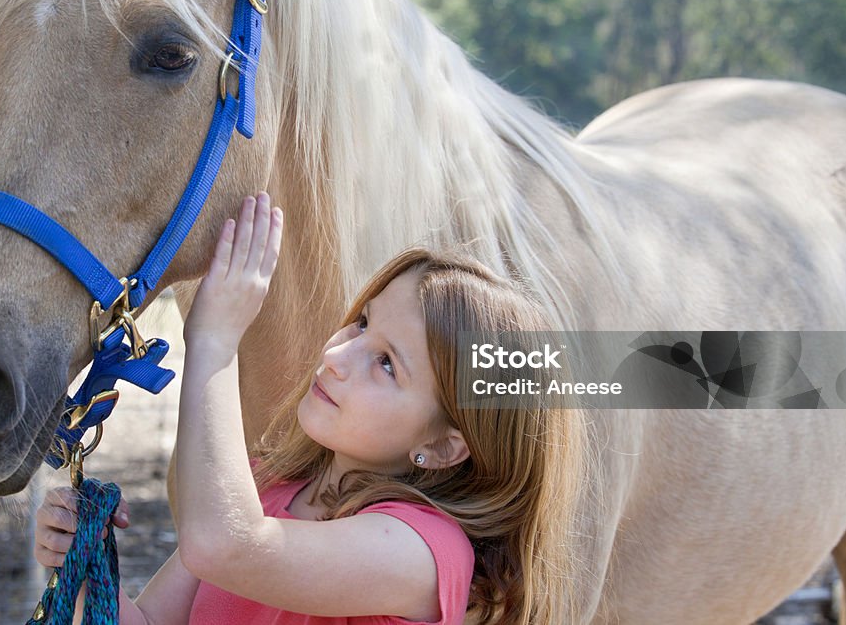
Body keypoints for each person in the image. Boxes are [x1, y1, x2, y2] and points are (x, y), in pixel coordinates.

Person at [35, 193, 584, 625]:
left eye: (387, 364)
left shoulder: (421, 552)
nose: (340, 353)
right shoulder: (271, 488)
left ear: (441, 447)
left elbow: (224, 546)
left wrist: (216, 340)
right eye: (363, 323)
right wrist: (84, 567)